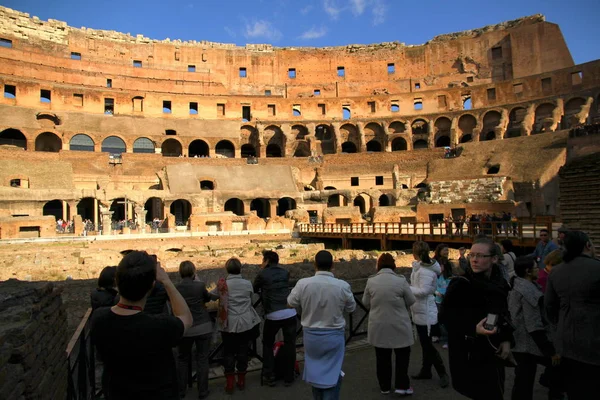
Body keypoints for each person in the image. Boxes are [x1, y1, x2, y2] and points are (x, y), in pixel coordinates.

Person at [91, 251, 192, 400]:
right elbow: (186, 317)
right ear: (152, 285)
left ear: (117, 282)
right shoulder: (160, 327)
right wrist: (166, 281)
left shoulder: (99, 318)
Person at [441, 237, 514, 400]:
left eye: (480, 256)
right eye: (472, 255)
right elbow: (446, 317)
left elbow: (503, 314)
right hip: (470, 353)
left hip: (492, 350)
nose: (474, 259)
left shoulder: (500, 283)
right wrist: (472, 329)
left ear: (494, 259)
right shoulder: (461, 284)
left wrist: (506, 339)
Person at [287, 250, 356, 400]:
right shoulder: (342, 286)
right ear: (332, 265)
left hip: (311, 336)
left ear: (314, 265)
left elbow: (290, 303)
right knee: (333, 372)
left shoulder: (303, 284)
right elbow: (351, 308)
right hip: (334, 335)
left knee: (316, 373)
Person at [545, 231, 600, 400]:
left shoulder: (556, 272)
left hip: (566, 341)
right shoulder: (597, 268)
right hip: (594, 341)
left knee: (575, 390)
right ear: (588, 245)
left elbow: (549, 307)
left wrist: (561, 324)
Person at [508, 256, 562, 400]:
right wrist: (550, 351)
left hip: (520, 341)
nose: (539, 270)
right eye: (536, 268)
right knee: (525, 382)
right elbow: (533, 325)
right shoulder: (528, 291)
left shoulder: (517, 284)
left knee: (522, 381)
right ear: (528, 271)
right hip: (527, 344)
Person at [362, 253, 416, 395]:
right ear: (393, 265)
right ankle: (402, 385)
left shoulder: (371, 281)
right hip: (399, 323)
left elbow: (365, 302)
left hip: (378, 324)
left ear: (378, 265)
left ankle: (384, 386)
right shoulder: (400, 280)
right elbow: (411, 300)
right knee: (402, 356)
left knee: (382, 357)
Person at [213, 258, 261, 394]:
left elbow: (212, 296)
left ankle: (229, 382)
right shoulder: (247, 284)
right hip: (245, 322)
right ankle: (241, 379)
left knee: (228, 352)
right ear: (240, 269)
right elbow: (252, 300)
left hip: (229, 324)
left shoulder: (223, 285)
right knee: (243, 351)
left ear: (227, 269)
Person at [253, 250, 297, 387]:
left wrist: (262, 269)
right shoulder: (285, 272)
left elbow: (255, 288)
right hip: (290, 312)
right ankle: (289, 376)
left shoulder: (262, 273)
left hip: (273, 313)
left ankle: (269, 375)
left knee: (267, 343)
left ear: (266, 261)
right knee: (290, 344)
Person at [409, 241, 450, 388]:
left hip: (425, 311)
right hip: (421, 309)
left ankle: (442, 372)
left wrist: (407, 289)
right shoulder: (421, 267)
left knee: (427, 345)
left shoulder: (425, 270)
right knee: (425, 343)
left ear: (417, 253)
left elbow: (424, 291)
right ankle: (426, 370)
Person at [175, 261, 215, 399]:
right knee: (203, 359)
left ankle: (181, 391)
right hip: (203, 326)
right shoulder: (199, 286)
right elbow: (207, 298)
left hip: (185, 328)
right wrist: (198, 281)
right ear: (193, 271)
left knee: (182, 359)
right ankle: (203, 391)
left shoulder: (176, 288)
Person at [433, 244, 452, 348]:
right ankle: (437, 335)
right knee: (438, 317)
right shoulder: (436, 266)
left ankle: (448, 338)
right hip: (437, 298)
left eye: (447, 250)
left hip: (444, 298)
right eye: (445, 250)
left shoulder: (448, 277)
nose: (446, 252)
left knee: (445, 318)